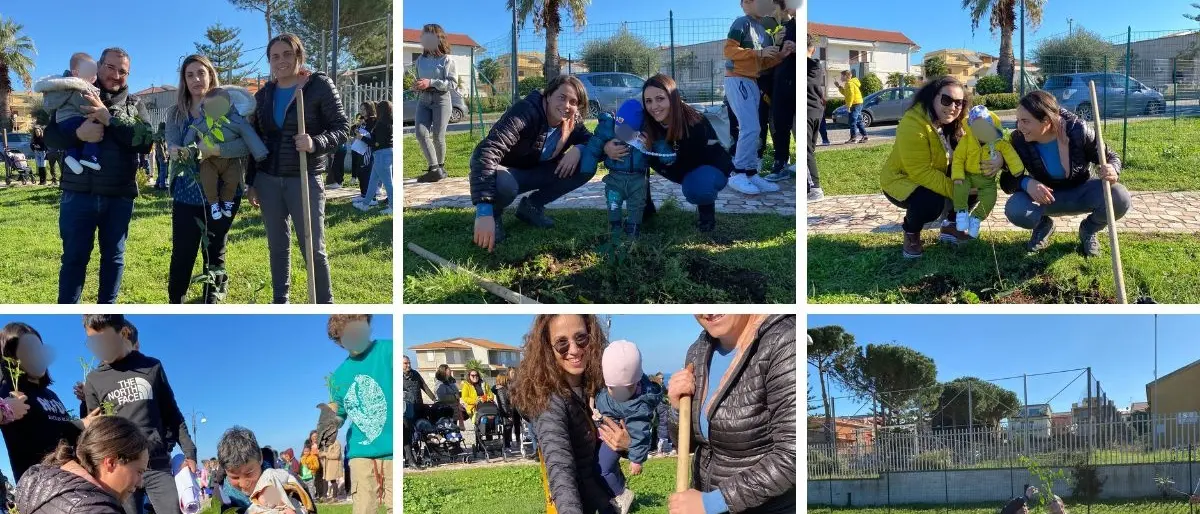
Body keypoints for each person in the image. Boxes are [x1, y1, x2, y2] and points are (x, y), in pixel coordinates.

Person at [42, 47, 154, 304]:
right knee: (73, 258)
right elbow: (50, 136)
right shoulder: (75, 92)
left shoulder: (135, 104)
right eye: (110, 67)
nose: (116, 75)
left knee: (114, 258)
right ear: (99, 66)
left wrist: (109, 118)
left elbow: (146, 141)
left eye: (123, 71)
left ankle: (107, 312)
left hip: (118, 196)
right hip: (78, 194)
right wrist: (78, 134)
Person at [248, 33, 349, 304]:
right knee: (277, 247)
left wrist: (315, 142)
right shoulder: (264, 95)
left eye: (287, 54)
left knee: (313, 246)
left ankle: (323, 302)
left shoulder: (317, 85)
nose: (281, 61)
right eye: (275, 56)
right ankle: (280, 301)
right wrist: (252, 182)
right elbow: (255, 140)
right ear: (269, 61)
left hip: (304, 177)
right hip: (268, 179)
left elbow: (342, 128)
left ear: (299, 56)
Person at [666, 314, 796, 514]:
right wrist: (677, 408)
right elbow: (688, 444)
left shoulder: (785, 341)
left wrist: (713, 503)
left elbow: (792, 456)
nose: (708, 311)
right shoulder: (698, 350)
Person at [510, 314, 633, 514]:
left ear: (592, 338)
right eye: (562, 343)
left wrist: (628, 445)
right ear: (547, 349)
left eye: (581, 338)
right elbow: (560, 468)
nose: (574, 350)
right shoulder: (549, 401)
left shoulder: (598, 385)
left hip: (608, 501)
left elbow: (631, 427)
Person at [81, 314, 197, 514]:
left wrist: (189, 452)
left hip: (157, 465)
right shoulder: (94, 379)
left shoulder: (152, 367)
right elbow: (95, 430)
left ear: (123, 333)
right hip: (121, 468)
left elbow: (172, 412)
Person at [469, 75, 594, 251]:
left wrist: (579, 149)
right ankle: (493, 214)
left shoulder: (573, 121)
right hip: (503, 170)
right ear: (548, 95)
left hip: (533, 169)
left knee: (585, 166)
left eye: (573, 102)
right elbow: (488, 151)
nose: (567, 105)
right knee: (505, 185)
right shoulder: (526, 110)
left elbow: (592, 142)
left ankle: (532, 207)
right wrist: (484, 210)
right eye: (562, 97)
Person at [1000, 90, 1131, 256]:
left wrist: (1113, 168)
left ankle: (1088, 230)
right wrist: (1027, 183)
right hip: (1047, 197)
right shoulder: (1019, 140)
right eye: (1018, 120)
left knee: (1120, 197)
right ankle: (1043, 226)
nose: (1019, 126)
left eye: (1025, 121)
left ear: (1046, 120)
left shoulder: (1078, 130)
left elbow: (1111, 157)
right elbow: (1007, 180)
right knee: (1015, 208)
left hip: (1082, 192)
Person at [166, 55, 253, 304]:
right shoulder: (176, 113)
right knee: (182, 254)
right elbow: (172, 144)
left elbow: (244, 145)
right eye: (190, 75)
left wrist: (215, 150)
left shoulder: (228, 107)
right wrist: (178, 151)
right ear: (184, 80)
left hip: (224, 192)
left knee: (215, 252)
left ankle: (210, 302)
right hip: (187, 194)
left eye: (201, 73)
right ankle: (176, 303)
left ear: (211, 75)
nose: (196, 79)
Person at [607, 74, 732, 232]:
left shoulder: (695, 123)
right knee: (636, 154)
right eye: (648, 101)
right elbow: (614, 132)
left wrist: (651, 149)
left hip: (708, 167)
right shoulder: (647, 120)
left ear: (673, 98)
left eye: (660, 98)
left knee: (697, 187)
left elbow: (686, 164)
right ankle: (645, 209)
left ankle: (706, 215)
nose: (654, 106)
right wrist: (608, 147)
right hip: (674, 165)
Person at [879, 76, 985, 259]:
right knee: (930, 202)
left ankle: (951, 226)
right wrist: (959, 191)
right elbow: (920, 172)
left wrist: (994, 157)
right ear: (932, 97)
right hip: (902, 179)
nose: (953, 107)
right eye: (947, 100)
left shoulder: (958, 120)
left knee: (975, 177)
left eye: (959, 103)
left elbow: (987, 139)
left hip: (936, 173)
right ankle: (911, 233)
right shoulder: (912, 124)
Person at [0, 322, 87, 482]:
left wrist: (86, 402)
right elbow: (39, 439)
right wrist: (79, 424)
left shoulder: (51, 394)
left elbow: (70, 436)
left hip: (71, 476)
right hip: (41, 483)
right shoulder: (10, 391)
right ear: (12, 356)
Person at [326, 315, 393, 514]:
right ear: (340, 340)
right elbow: (339, 412)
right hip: (361, 453)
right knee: (364, 508)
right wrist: (331, 422)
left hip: (393, 448)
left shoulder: (389, 350)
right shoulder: (337, 377)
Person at [16, 416, 149, 514]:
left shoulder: (48, 487)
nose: (140, 483)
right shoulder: (94, 509)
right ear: (111, 462)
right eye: (139, 472)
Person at [722, 0, 787, 195]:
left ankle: (750, 173)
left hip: (752, 81)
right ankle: (738, 173)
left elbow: (763, 63)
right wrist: (759, 52)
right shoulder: (741, 23)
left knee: (755, 128)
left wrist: (782, 54)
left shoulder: (763, 30)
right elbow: (728, 51)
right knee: (749, 127)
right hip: (737, 79)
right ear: (746, 3)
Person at [593, 340, 661, 514]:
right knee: (604, 467)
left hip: (613, 436)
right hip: (606, 432)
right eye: (612, 388)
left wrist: (636, 459)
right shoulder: (621, 386)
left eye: (626, 388)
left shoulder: (637, 405)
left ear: (636, 383)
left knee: (602, 469)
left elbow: (639, 432)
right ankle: (617, 491)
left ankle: (621, 494)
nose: (619, 394)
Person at [182, 86, 269, 220]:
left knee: (232, 180)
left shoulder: (236, 120)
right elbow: (191, 133)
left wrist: (260, 153)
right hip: (208, 160)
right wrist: (187, 149)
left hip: (231, 159)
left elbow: (249, 135)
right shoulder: (202, 120)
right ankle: (214, 203)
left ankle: (227, 202)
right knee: (208, 181)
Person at [582, 98, 651, 238]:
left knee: (637, 204)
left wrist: (661, 151)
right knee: (613, 202)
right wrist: (587, 166)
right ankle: (615, 225)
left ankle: (633, 228)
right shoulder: (608, 128)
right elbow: (594, 145)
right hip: (614, 178)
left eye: (627, 131)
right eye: (620, 129)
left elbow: (660, 144)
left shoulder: (646, 133)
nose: (623, 133)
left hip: (638, 179)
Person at [951, 105, 1024, 238]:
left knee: (990, 198)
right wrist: (957, 175)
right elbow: (958, 158)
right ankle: (961, 212)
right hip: (967, 176)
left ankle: (976, 218)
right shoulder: (966, 141)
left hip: (987, 180)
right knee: (959, 188)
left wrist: (1017, 169)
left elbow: (1010, 154)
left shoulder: (998, 142)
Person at [33, 52, 106, 174]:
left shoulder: (62, 88)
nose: (94, 76)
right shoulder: (78, 87)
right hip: (74, 119)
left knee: (76, 136)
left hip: (63, 121)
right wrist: (100, 112)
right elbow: (83, 106)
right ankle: (89, 157)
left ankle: (72, 156)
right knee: (94, 128)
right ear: (76, 73)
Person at [413, 24, 458, 184]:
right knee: (420, 133)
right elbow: (419, 80)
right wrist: (417, 86)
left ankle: (440, 168)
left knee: (438, 136)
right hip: (424, 99)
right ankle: (434, 169)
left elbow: (452, 84)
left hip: (441, 99)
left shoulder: (447, 60)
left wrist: (431, 82)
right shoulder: (420, 60)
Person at [764, 0, 797, 183]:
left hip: (796, 83)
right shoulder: (785, 28)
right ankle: (780, 164)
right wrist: (777, 44)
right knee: (780, 124)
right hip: (780, 83)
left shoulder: (802, 27)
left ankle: (802, 166)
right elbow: (776, 58)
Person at [355, 100, 394, 215]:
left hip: (382, 154)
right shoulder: (387, 122)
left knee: (388, 183)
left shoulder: (382, 124)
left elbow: (377, 143)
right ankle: (365, 204)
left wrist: (362, 138)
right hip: (381, 154)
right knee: (373, 182)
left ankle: (393, 207)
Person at [805, 33, 825, 202]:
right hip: (816, 111)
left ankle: (815, 189)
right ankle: (808, 187)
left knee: (806, 152)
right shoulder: (817, 67)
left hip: (808, 111)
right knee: (809, 151)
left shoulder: (809, 66)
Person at [352, 102, 378, 198]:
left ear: (369, 109)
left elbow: (373, 140)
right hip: (359, 149)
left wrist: (362, 137)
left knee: (366, 173)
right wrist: (356, 129)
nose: (362, 111)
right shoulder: (362, 120)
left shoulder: (373, 121)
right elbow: (353, 129)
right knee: (360, 172)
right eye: (361, 109)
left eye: (364, 109)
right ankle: (363, 194)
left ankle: (370, 196)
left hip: (368, 151)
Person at [835, 70, 866, 144]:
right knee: (858, 121)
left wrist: (848, 106)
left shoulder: (849, 84)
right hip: (858, 103)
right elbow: (846, 94)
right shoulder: (850, 83)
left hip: (855, 104)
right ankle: (865, 136)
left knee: (852, 121)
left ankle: (853, 138)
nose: (840, 78)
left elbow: (850, 96)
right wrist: (839, 87)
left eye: (841, 76)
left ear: (846, 76)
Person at [490, 373, 515, 452]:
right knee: (507, 428)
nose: (508, 380)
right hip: (505, 412)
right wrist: (508, 415)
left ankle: (507, 445)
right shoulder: (502, 390)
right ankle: (507, 446)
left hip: (503, 412)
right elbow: (504, 404)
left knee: (506, 428)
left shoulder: (498, 389)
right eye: (506, 379)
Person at [319, 435, 343, 501]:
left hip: (333, 465)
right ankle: (324, 497)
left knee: (333, 480)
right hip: (326, 465)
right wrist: (321, 454)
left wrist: (325, 454)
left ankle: (335, 497)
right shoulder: (325, 443)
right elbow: (321, 453)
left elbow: (336, 455)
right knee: (324, 480)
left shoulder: (336, 442)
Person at [153, 121, 169, 190]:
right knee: (163, 171)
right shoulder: (162, 135)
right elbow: (162, 147)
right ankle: (162, 185)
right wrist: (164, 156)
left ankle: (157, 183)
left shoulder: (157, 135)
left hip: (158, 155)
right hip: (162, 155)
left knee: (162, 170)